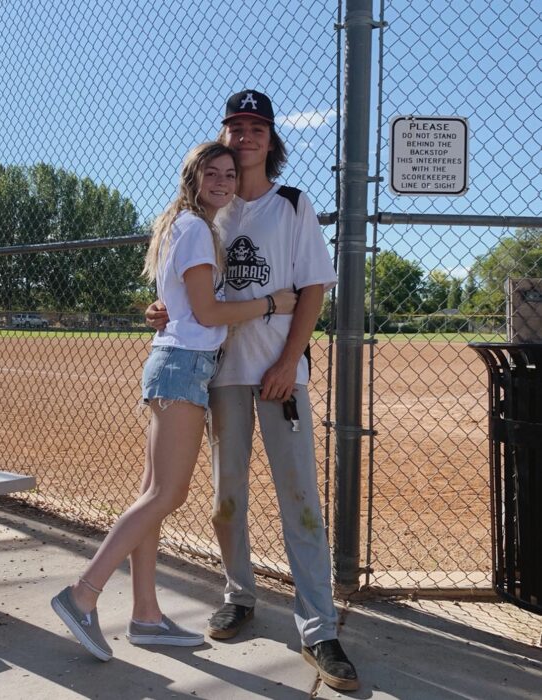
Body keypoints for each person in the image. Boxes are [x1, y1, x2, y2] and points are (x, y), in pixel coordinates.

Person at [146, 91, 359, 691]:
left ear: (271, 140)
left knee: (299, 500)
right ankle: (239, 595)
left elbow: (313, 289)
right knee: (226, 496)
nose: (245, 138)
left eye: (256, 128)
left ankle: (318, 627)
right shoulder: (209, 208)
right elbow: (191, 290)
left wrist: (289, 363)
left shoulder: (291, 204)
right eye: (235, 127)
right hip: (220, 374)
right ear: (222, 138)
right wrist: (165, 309)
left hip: (277, 373)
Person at [51, 141, 297, 661]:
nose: (224, 181)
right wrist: (273, 303)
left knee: (151, 495)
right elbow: (206, 313)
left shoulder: (185, 226)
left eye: (230, 174)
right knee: (167, 494)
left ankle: (145, 617)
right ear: (194, 176)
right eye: (213, 172)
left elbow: (186, 306)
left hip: (178, 364)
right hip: (183, 367)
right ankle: (82, 594)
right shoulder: (194, 228)